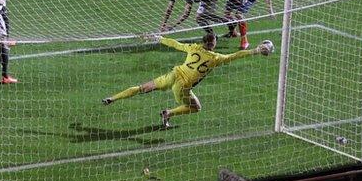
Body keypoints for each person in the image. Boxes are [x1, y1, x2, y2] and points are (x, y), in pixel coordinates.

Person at [102, 33, 270, 128]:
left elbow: (175, 44)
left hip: (173, 75)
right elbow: (235, 55)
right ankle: (168, 113)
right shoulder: (216, 58)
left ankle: (112, 98)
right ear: (211, 44)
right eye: (215, 42)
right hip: (182, 86)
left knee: (142, 88)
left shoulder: (193, 47)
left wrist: (159, 38)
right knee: (196, 107)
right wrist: (255, 51)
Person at [160, 0, 228, 35]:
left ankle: (228, 22)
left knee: (200, 18)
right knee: (201, 18)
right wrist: (163, 24)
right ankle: (214, 33)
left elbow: (186, 14)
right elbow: (169, 9)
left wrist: (172, 26)